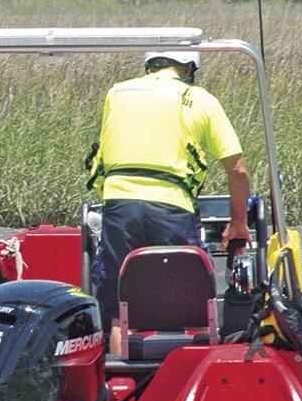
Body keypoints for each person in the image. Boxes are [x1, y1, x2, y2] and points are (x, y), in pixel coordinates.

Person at [87, 51, 252, 350]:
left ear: (150, 65)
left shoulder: (117, 93)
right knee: (185, 303)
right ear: (189, 68)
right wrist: (238, 222)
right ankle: (185, 371)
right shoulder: (200, 98)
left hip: (119, 203)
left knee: (115, 308)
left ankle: (119, 374)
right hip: (172, 205)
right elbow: (238, 170)